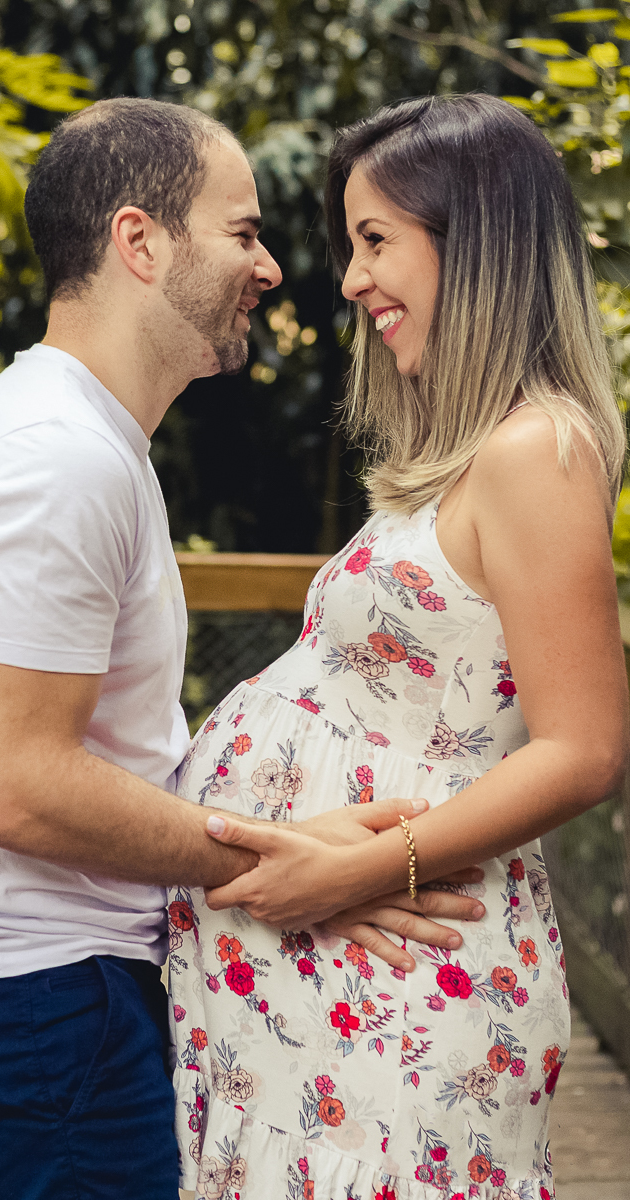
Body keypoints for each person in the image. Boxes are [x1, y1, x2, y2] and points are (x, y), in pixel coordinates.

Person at [0, 97, 483, 1200]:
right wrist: (279, 861)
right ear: (138, 242)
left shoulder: (84, 438)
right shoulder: (59, 461)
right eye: (241, 232)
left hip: (35, 997)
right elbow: (12, 787)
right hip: (25, 1006)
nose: (274, 268)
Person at [169, 93, 628, 1200]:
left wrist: (354, 869)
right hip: (329, 985)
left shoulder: (536, 449)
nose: (349, 277)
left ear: (470, 241)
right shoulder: (467, 451)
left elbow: (581, 749)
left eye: (375, 240)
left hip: (401, 972)